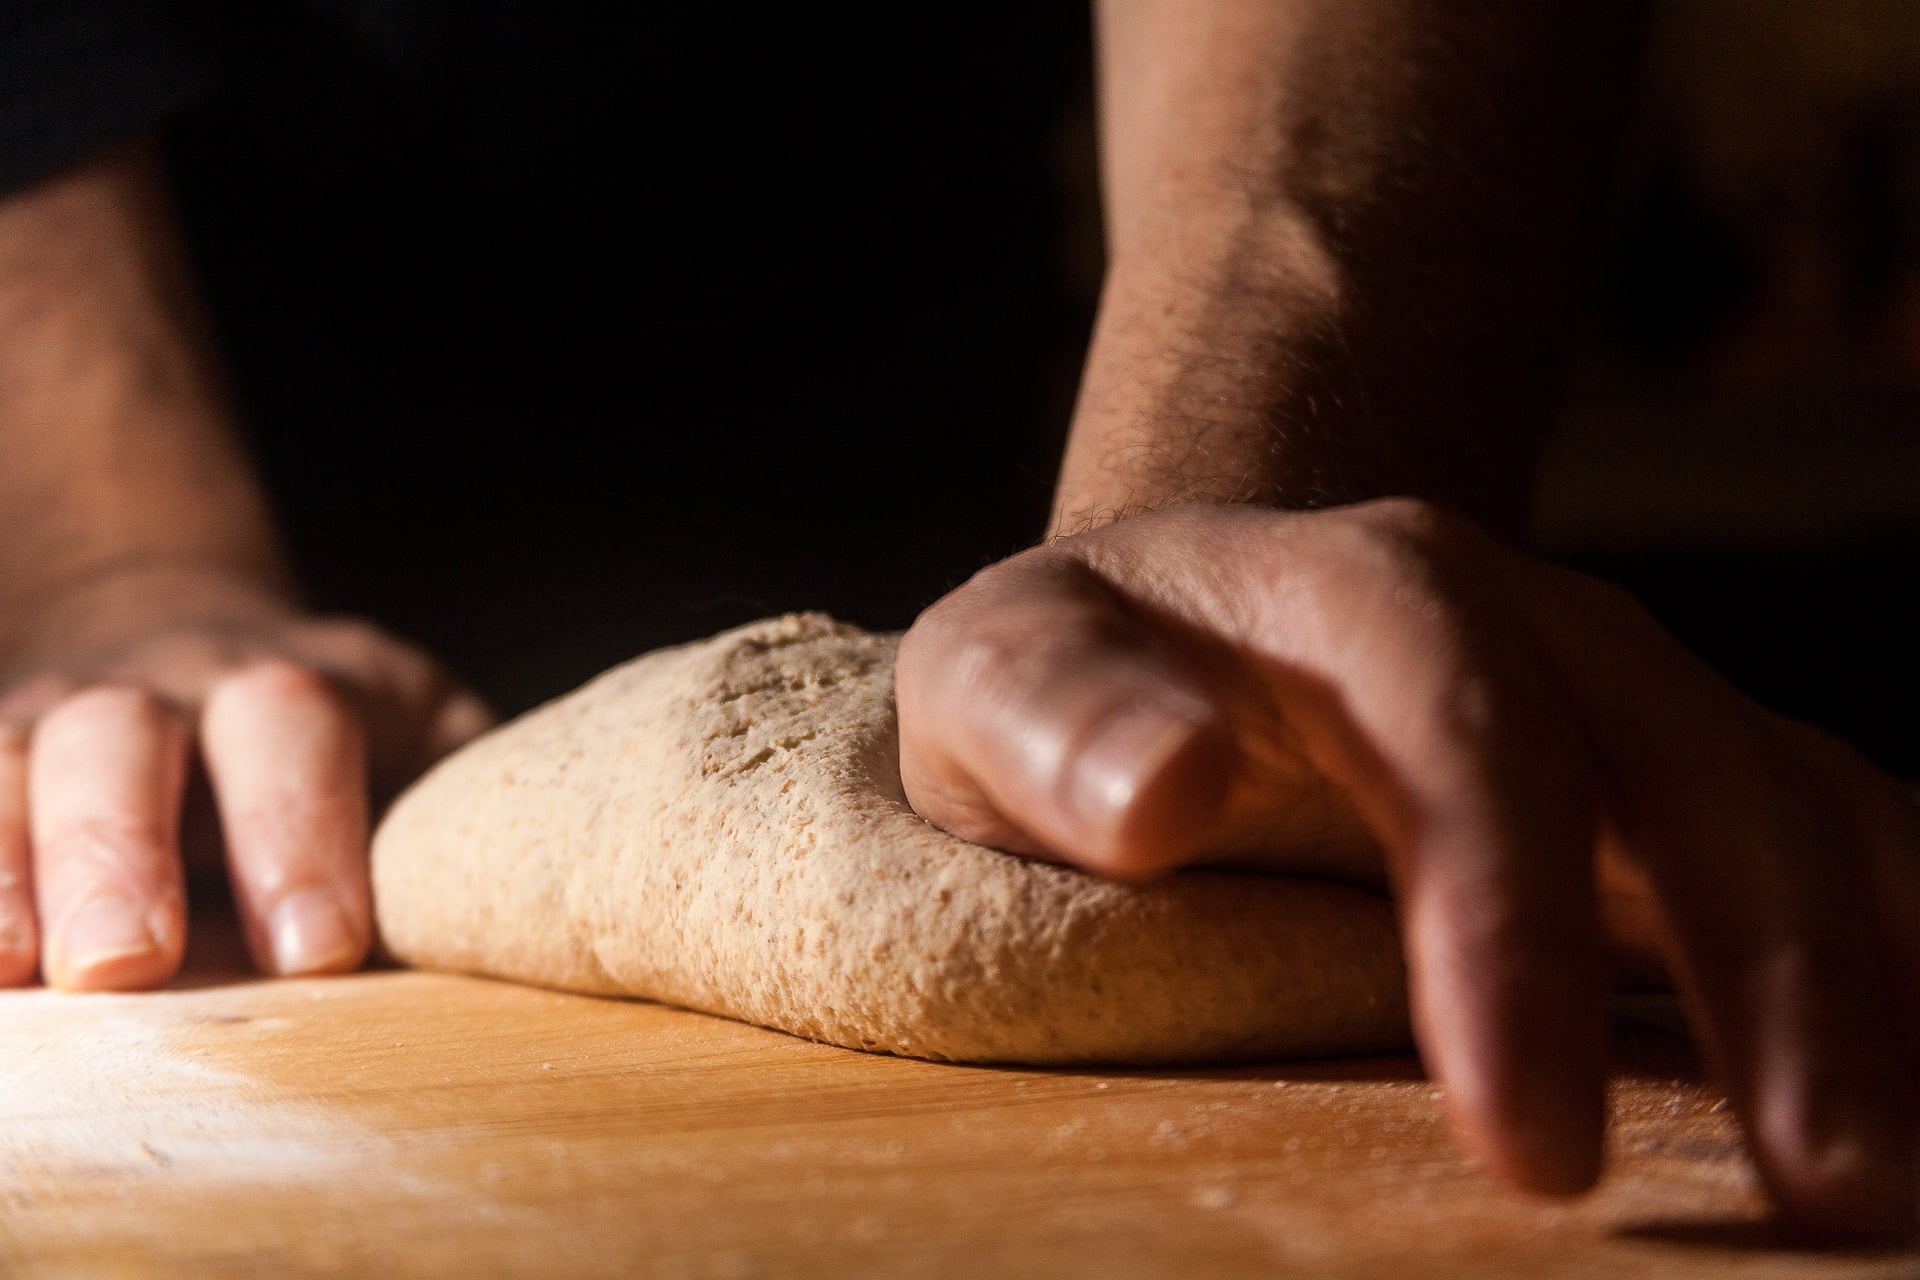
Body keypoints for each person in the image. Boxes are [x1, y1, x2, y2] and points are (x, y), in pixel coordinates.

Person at [0, 0, 1912, 1240]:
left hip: (927, 535)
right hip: (157, 550)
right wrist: (116, 555)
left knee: (1087, 784)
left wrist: (1221, 513)